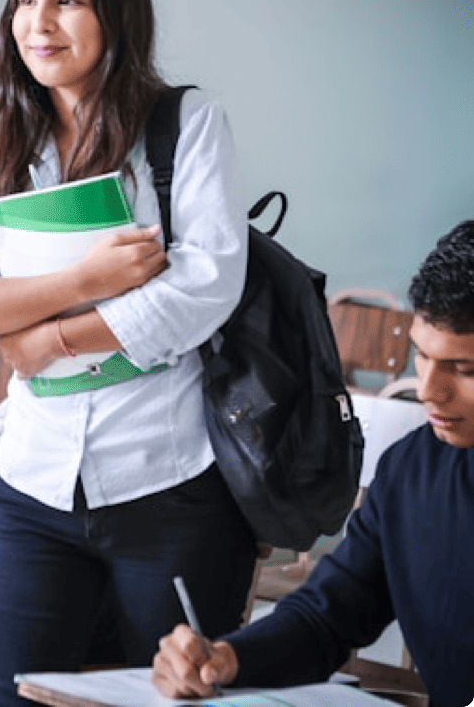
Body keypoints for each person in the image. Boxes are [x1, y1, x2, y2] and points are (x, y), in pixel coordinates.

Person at [0, 0, 256, 705]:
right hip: (34, 483)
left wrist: (47, 339)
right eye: (26, 1)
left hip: (168, 483)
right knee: (7, 698)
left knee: (171, 696)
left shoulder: (185, 126)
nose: (39, 23)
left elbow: (205, 286)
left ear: (116, 13)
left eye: (68, 0)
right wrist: (84, 282)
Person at [153, 220, 474, 707]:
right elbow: (329, 614)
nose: (429, 389)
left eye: (465, 369)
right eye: (422, 357)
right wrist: (229, 658)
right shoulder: (411, 475)